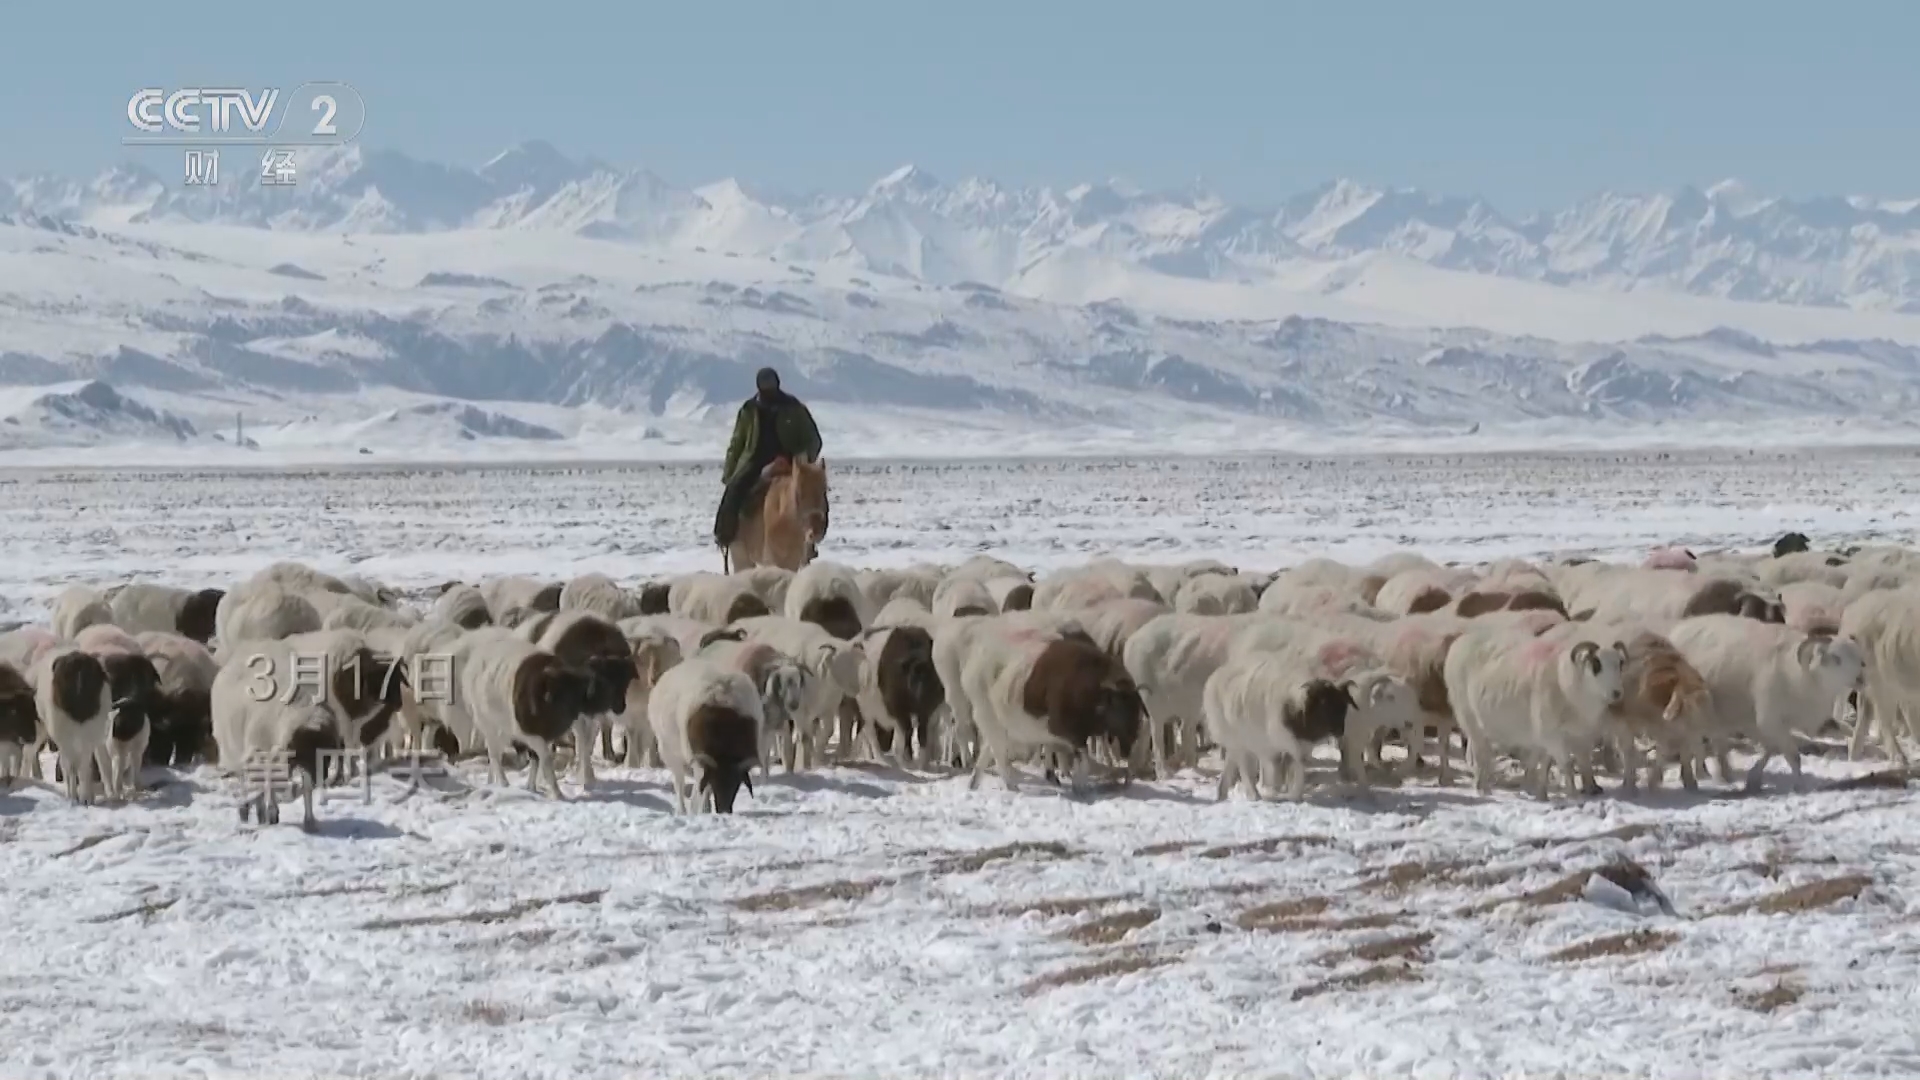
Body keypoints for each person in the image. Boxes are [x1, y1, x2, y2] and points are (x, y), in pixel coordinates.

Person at [714, 366, 824, 548]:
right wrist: (730, 474)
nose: (769, 392)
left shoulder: (793, 408)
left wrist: (800, 458)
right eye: (765, 388)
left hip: (790, 460)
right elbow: (737, 443)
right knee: (734, 491)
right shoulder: (749, 410)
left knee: (815, 492)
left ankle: (815, 534)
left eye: (771, 387)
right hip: (755, 460)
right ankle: (725, 535)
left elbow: (813, 440)